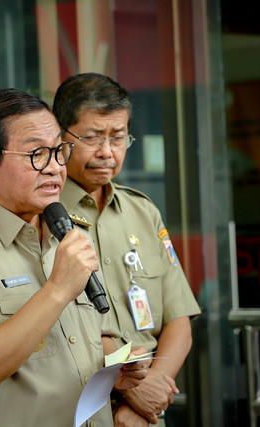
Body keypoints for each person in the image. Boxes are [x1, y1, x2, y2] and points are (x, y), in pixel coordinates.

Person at [0, 88, 149, 427]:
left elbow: (99, 334)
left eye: (59, 151)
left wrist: (119, 367)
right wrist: (56, 290)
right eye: (37, 153)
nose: (55, 167)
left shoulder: (68, 232)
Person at [53, 73, 201, 427]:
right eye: (91, 137)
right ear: (60, 138)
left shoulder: (142, 211)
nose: (107, 152)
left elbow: (178, 318)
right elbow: (59, 322)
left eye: (118, 138)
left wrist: (148, 399)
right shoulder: (45, 213)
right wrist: (134, 388)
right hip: (79, 408)